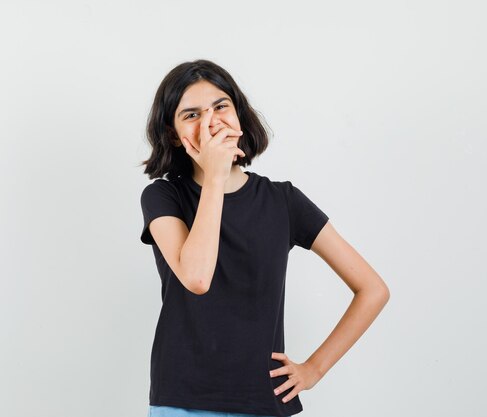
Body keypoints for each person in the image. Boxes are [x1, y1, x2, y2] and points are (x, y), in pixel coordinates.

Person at [138, 59, 390, 417]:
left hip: (264, 402)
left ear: (239, 116)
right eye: (191, 115)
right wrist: (214, 178)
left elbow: (373, 289)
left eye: (221, 107)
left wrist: (314, 369)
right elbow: (196, 278)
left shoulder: (283, 201)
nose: (210, 122)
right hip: (182, 400)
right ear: (173, 135)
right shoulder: (163, 197)